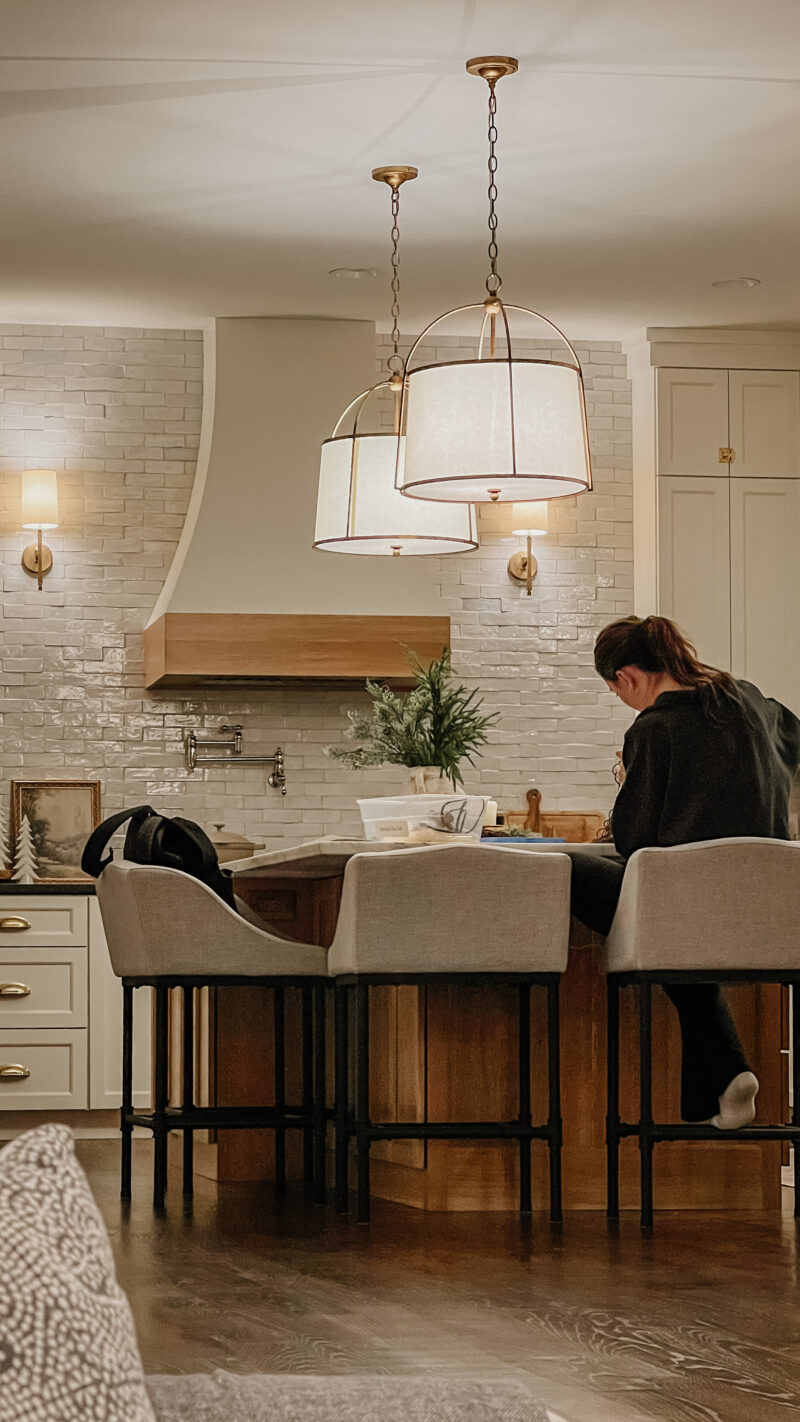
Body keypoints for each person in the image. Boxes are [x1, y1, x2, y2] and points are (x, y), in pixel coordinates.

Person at [569, 614, 800, 1128]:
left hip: (689, 919)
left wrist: (629, 779)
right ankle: (723, 1080)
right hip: (775, 917)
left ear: (627, 676)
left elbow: (635, 846)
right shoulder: (752, 700)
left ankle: (728, 1066)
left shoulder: (653, 729)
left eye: (615, 691)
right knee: (673, 928)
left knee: (564, 870)